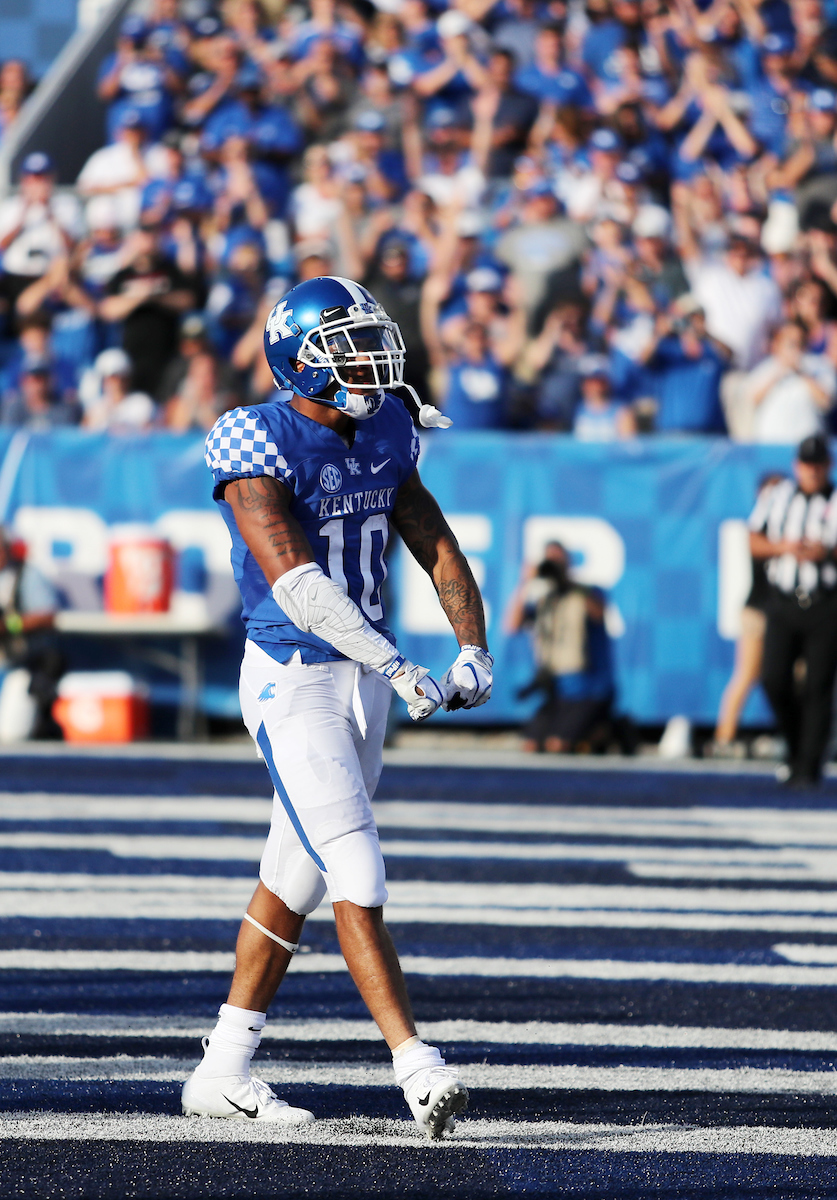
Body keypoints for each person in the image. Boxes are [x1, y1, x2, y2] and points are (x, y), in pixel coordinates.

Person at [186, 275, 493, 1136]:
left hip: (362, 684)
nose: (371, 361)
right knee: (357, 871)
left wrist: (473, 648)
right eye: (349, 347)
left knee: (293, 880)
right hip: (295, 678)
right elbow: (296, 582)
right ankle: (416, 1065)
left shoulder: (389, 420)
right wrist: (397, 663)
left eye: (372, 341)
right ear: (299, 361)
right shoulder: (256, 435)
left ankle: (221, 1068)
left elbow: (431, 539)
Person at [749, 434, 837, 786]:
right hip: (785, 599)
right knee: (773, 678)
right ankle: (797, 744)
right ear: (795, 466)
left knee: (818, 686)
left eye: (818, 465)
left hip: (826, 602)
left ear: (827, 466)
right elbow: (753, 540)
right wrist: (783, 547)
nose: (812, 472)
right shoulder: (778, 496)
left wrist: (826, 553)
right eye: (806, 465)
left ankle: (808, 767)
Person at [504, 540, 614, 753]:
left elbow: (599, 613)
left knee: (558, 745)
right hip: (558, 693)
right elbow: (512, 625)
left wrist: (567, 581)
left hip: (590, 691)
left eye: (558, 561)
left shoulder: (587, 593)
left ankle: (604, 730)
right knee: (531, 745)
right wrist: (525, 582)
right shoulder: (545, 600)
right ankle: (592, 734)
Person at [710, 472, 787, 756]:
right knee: (747, 673)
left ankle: (801, 738)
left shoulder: (797, 518)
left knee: (801, 677)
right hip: (759, 609)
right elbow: (758, 546)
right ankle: (724, 736)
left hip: (789, 612)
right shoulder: (761, 524)